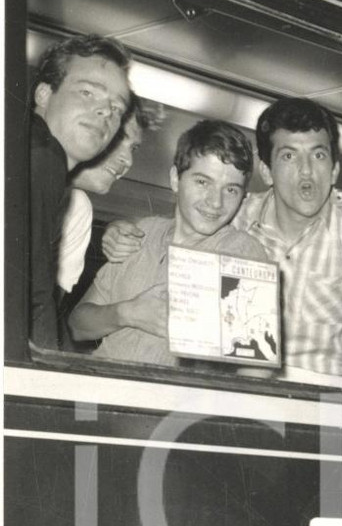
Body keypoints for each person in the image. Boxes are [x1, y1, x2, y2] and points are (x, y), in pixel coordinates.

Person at [104, 97, 342, 381]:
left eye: (318, 155)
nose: (306, 170)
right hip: (236, 386)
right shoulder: (233, 213)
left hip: (327, 395)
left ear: (335, 170)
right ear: (266, 171)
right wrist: (119, 228)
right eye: (289, 156)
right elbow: (175, 227)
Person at [69, 120, 268, 367]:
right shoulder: (142, 232)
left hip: (167, 402)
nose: (215, 202)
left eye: (231, 190)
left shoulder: (243, 254)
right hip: (97, 387)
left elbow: (256, 366)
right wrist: (127, 313)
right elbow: (78, 325)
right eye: (203, 182)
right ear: (175, 179)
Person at [29, 34, 132, 347]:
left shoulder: (37, 158)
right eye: (88, 92)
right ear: (44, 94)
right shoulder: (41, 156)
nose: (105, 112)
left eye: (116, 108)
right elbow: (31, 304)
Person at [58, 100, 148, 298]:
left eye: (133, 148)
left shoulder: (76, 207)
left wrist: (105, 233)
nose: (128, 160)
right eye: (117, 139)